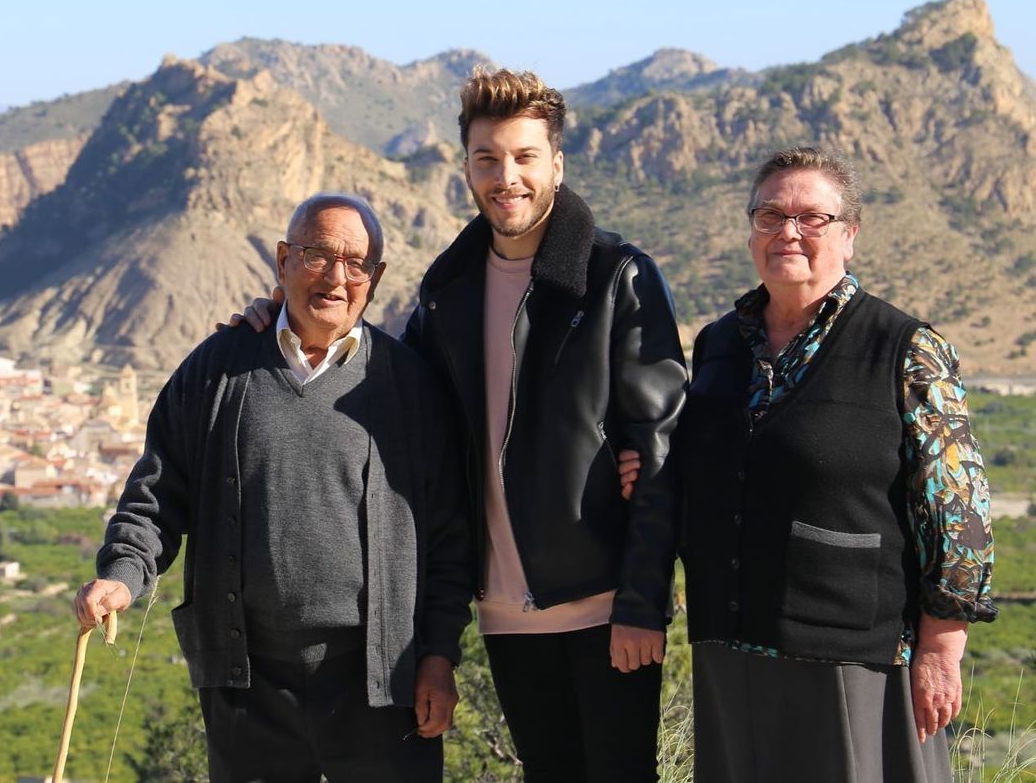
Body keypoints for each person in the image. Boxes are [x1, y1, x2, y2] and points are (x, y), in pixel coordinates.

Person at [234, 68, 687, 781]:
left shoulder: (616, 277)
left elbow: (662, 454)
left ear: (556, 165)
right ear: (467, 169)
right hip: (505, 614)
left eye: (525, 157)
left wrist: (642, 602)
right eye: (487, 160)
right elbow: (393, 395)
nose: (506, 177)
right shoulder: (448, 290)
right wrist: (278, 318)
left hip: (604, 607)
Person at [622, 146, 996, 783]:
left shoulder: (907, 349)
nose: (788, 232)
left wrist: (942, 646)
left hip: (856, 657)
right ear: (750, 232)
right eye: (770, 215)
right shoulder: (717, 345)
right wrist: (647, 471)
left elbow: (960, 514)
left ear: (849, 235)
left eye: (811, 218)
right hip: (730, 646)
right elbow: (707, 465)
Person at [75, 194, 472, 783]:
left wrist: (438, 655)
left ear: (377, 278)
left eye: (357, 263)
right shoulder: (214, 370)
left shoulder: (411, 384)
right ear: (284, 260)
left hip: (383, 687)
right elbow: (157, 497)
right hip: (248, 690)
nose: (338, 277)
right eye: (318, 256)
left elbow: (448, 537)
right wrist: (122, 573)